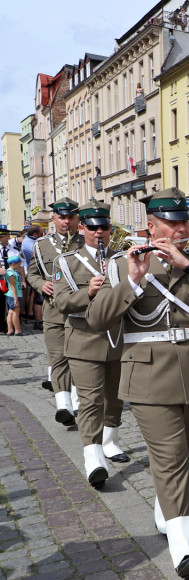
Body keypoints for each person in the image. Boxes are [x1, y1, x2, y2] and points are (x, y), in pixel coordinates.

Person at [87, 187, 189, 579]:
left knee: (180, 454)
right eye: (173, 224)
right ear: (152, 226)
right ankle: (185, 547)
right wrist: (134, 282)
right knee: (170, 458)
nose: (182, 230)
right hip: (149, 373)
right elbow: (97, 319)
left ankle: (164, 509)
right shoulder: (123, 264)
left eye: (185, 222)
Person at [52, 201, 128, 490]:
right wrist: (88, 292)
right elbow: (61, 302)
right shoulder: (66, 262)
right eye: (93, 227)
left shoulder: (121, 258)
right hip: (84, 339)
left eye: (104, 227)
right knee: (91, 400)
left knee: (115, 398)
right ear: (82, 227)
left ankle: (110, 440)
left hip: (117, 338)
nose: (99, 232)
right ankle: (93, 456)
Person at [27, 198, 83, 425]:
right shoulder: (42, 245)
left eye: (71, 217)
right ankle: (64, 406)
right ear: (54, 219)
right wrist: (42, 285)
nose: (66, 222)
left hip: (81, 311)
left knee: (79, 358)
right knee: (58, 358)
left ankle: (78, 403)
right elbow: (32, 274)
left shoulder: (85, 243)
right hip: (54, 312)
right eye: (62, 217)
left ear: (78, 219)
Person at [5, 252, 23, 336]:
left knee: (11, 312)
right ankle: (17, 330)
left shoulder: (12, 271)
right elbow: (12, 286)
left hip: (13, 295)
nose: (20, 266)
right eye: (19, 264)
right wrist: (16, 299)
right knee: (16, 312)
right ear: (13, 264)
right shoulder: (11, 273)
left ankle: (10, 330)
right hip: (14, 295)